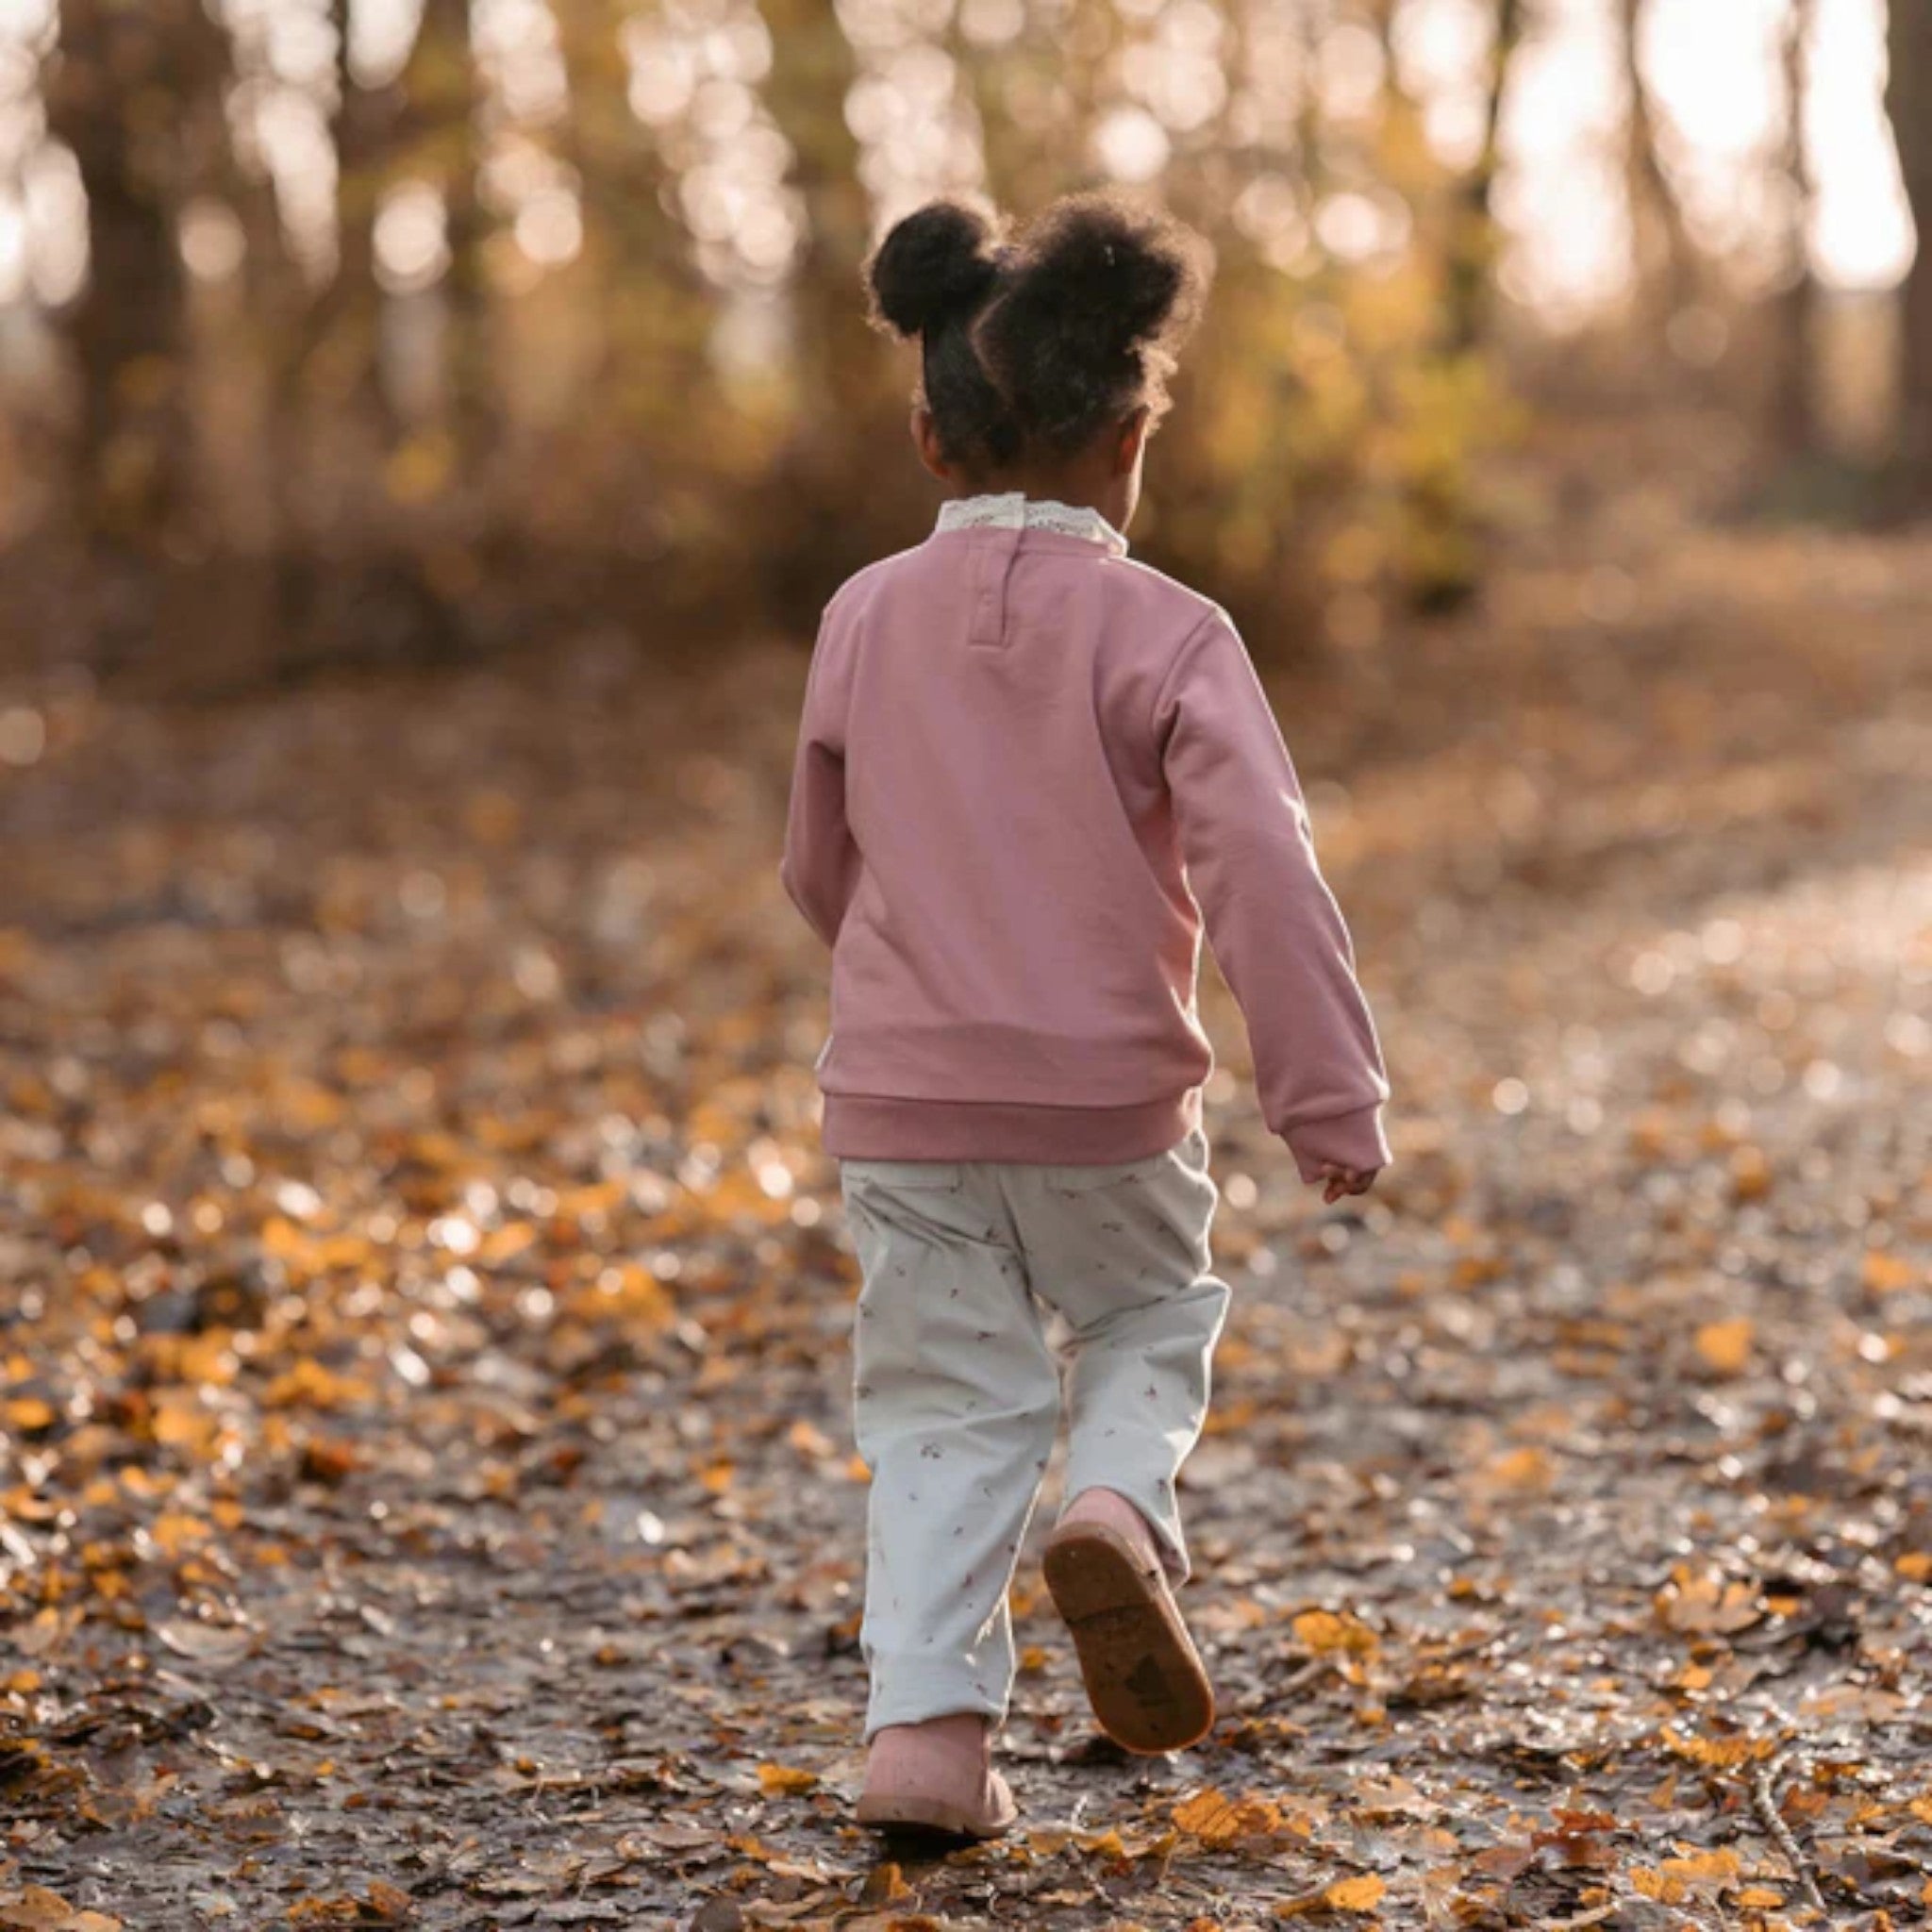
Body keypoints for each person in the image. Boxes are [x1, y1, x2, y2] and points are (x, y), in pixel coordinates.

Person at [780, 192, 1390, 1840]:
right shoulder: (1172, 633)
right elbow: (1260, 864)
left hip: (903, 1104)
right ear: (1132, 437)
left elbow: (814, 864)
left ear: (927, 438)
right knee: (1144, 1323)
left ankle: (925, 1745)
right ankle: (1115, 1507)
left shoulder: (857, 618)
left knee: (943, 1408)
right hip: (1108, 1106)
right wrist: (1324, 1096)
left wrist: (914, 989)